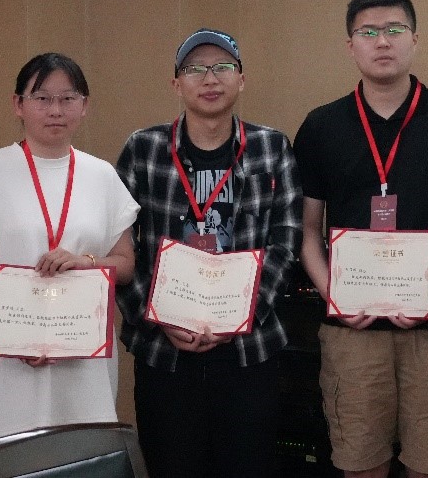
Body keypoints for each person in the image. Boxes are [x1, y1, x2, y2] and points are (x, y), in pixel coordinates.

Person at [296, 0, 428, 478]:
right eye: (368, 32)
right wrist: (335, 294)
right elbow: (307, 232)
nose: (382, 41)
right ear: (350, 46)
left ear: (414, 39)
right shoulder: (321, 126)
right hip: (352, 331)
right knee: (359, 464)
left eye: (393, 29)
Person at [115, 28, 303, 478]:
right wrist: (159, 317)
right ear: (176, 83)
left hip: (248, 351)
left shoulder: (271, 147)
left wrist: (240, 314)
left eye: (222, 67)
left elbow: (286, 241)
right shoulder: (143, 148)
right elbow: (119, 246)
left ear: (242, 79)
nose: (210, 78)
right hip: (164, 352)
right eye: (195, 68)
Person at [0, 52, 139, 442]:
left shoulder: (102, 176)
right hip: (1, 363)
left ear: (85, 106)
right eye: (42, 98)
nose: (56, 110)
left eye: (68, 98)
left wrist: (86, 262)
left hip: (79, 363)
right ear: (18, 104)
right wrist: (16, 332)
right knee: (5, 461)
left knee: (78, 457)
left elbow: (125, 264)